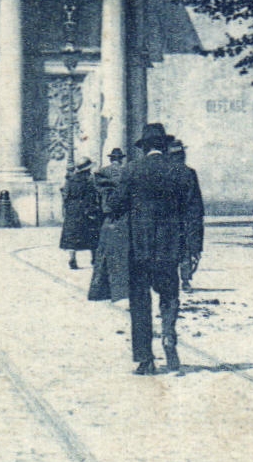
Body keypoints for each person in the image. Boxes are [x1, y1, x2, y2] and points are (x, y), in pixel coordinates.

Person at [107, 124, 190, 375]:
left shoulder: (132, 169)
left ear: (144, 147)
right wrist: (192, 248)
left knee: (140, 302)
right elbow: (193, 212)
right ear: (165, 146)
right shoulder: (181, 171)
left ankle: (145, 359)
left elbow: (116, 205)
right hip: (169, 246)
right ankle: (168, 335)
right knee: (169, 293)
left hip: (139, 247)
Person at [88, 149, 130, 303]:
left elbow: (95, 194)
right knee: (122, 254)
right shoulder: (127, 171)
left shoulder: (101, 172)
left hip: (107, 216)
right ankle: (122, 290)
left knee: (104, 252)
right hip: (124, 216)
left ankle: (100, 291)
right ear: (121, 159)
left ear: (112, 158)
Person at [171, 139, 206, 293]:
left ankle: (172, 282)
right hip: (185, 219)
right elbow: (196, 200)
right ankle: (185, 281)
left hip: (168, 219)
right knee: (185, 251)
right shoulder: (189, 173)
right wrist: (197, 221)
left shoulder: (165, 171)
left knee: (169, 251)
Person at [59, 157, 102, 270]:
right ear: (87, 169)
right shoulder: (90, 179)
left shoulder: (70, 179)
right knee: (93, 234)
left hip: (72, 210)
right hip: (87, 208)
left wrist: (67, 208)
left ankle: (72, 258)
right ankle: (94, 259)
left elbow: (65, 195)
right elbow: (94, 194)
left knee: (72, 235)